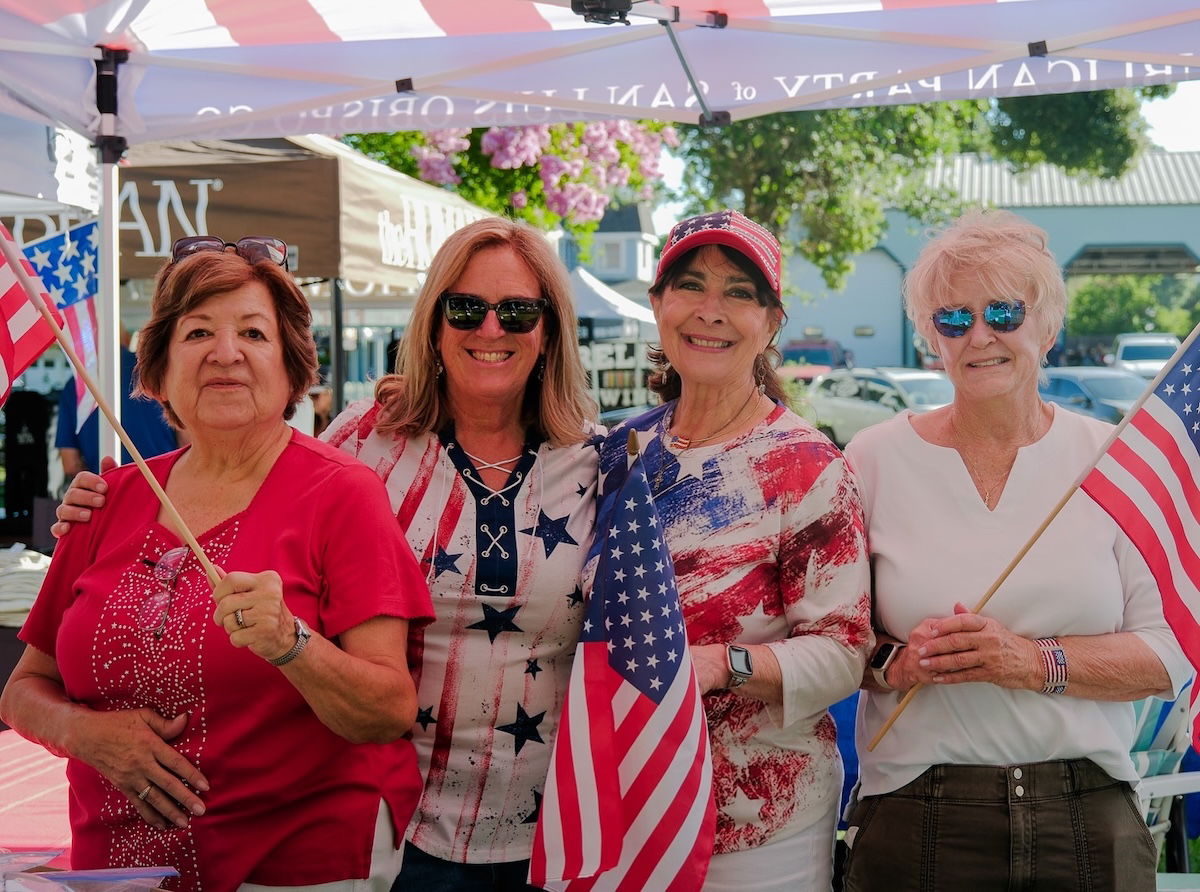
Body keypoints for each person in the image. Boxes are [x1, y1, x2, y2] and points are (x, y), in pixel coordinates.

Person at [52, 220, 599, 890]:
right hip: (405, 834)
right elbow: (264, 472)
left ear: (550, 330)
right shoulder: (367, 440)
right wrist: (100, 505)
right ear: (433, 323)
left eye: (517, 311)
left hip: (546, 827)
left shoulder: (602, 466)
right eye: (465, 309)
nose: (490, 329)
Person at [4, 236, 434, 892]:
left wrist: (293, 645)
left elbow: (388, 708)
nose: (225, 352)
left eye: (253, 333)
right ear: (159, 372)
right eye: (198, 331)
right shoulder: (111, 498)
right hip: (111, 870)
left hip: (293, 867)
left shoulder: (341, 493)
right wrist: (81, 733)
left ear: (291, 368)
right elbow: (22, 689)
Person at [842, 209, 1193, 892]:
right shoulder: (872, 458)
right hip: (918, 810)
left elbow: (1170, 654)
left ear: (1049, 327)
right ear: (929, 339)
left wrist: (1032, 662)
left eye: (1004, 313)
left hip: (1086, 811)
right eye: (953, 319)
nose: (980, 336)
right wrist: (900, 663)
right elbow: (837, 642)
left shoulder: (1113, 462)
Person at [589, 210, 873, 891]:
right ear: (658, 305)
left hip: (754, 829)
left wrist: (721, 665)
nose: (710, 311)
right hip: (618, 807)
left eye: (739, 292)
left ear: (771, 323)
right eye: (690, 285)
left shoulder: (805, 464)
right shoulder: (615, 452)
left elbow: (843, 652)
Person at [55, 326, 178, 480]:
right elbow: (188, 438)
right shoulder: (156, 372)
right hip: (165, 485)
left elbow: (70, 463)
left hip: (106, 491)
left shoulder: (75, 386)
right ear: (126, 338)